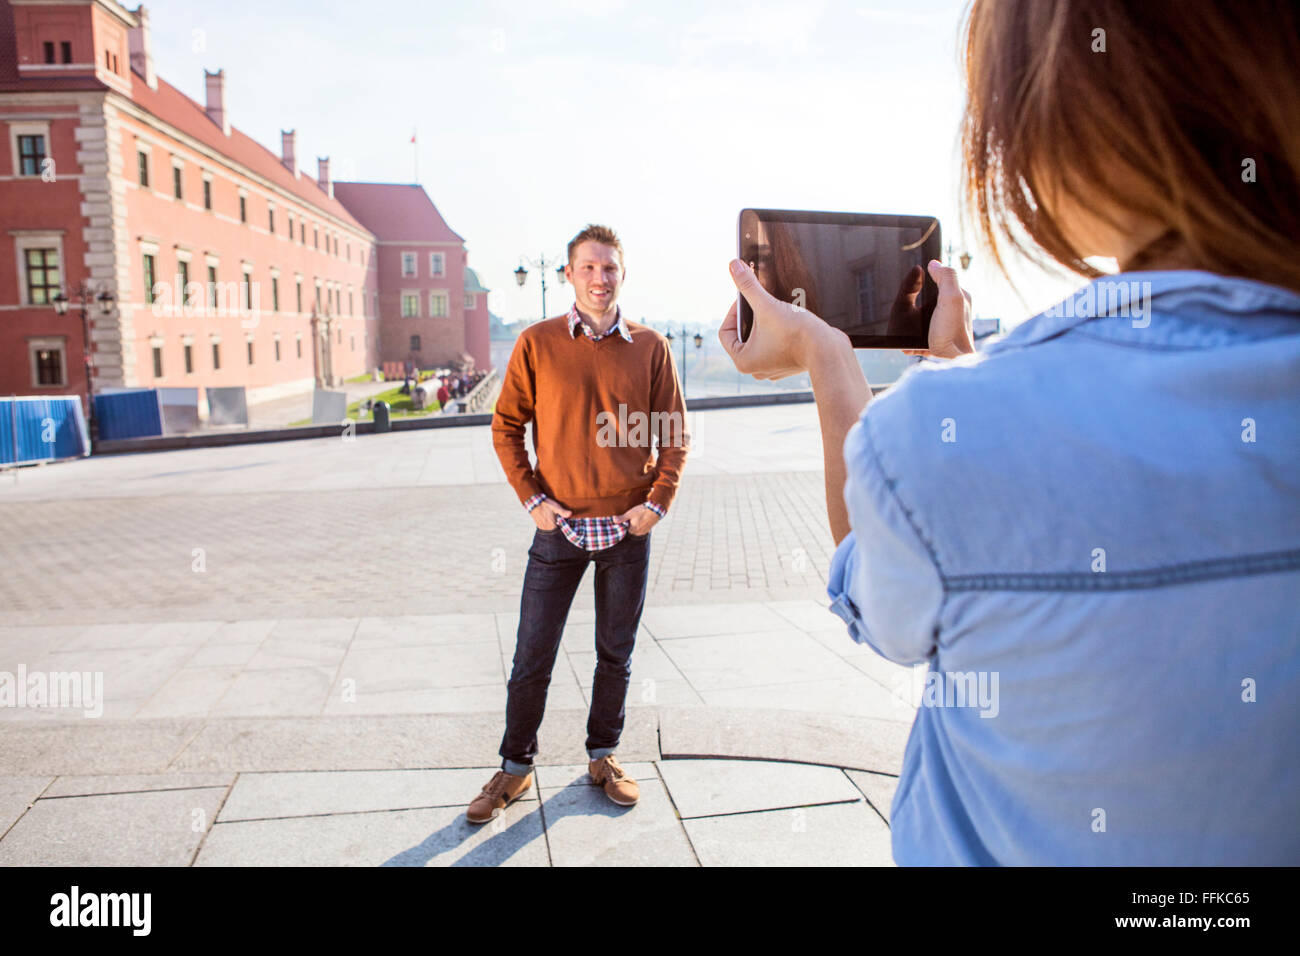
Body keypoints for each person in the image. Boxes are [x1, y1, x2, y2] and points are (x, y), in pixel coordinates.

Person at [719, 0, 1299, 864]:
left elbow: (873, 600)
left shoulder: (951, 435)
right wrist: (962, 376)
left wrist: (828, 358)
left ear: (1068, 125)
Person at [468, 224, 690, 823]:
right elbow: (505, 425)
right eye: (588, 267)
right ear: (569, 274)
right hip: (557, 530)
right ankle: (514, 768)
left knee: (615, 654)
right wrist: (531, 497)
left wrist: (656, 503)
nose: (600, 278)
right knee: (531, 655)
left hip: (626, 530)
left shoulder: (652, 347)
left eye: (610, 268)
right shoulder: (537, 342)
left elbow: (672, 434)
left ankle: (603, 756)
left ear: (623, 274)